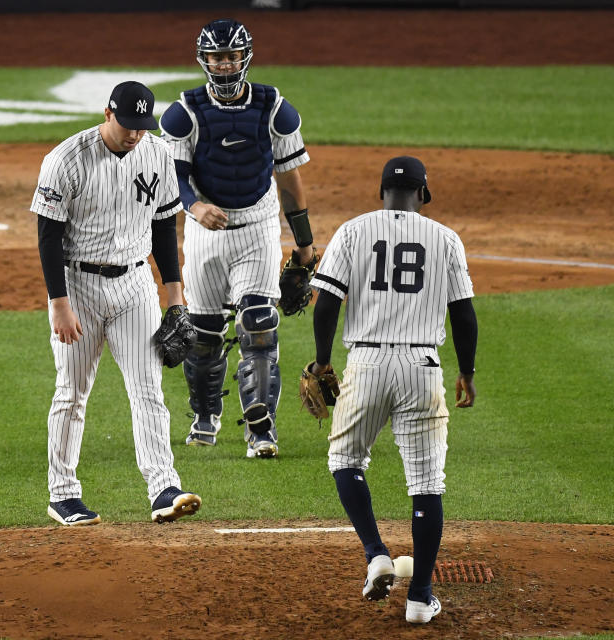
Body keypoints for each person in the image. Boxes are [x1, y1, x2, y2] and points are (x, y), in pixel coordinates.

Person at [307, 156, 478, 624]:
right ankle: (421, 597)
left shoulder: (352, 230)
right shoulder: (445, 239)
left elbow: (326, 306)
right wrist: (468, 371)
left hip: (365, 362)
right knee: (427, 485)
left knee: (345, 460)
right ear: (424, 194)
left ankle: (375, 552)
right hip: (422, 366)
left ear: (380, 192)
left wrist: (323, 360)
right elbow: (463, 313)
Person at [30, 81, 202, 526]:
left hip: (134, 283)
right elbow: (48, 238)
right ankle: (63, 494)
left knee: (148, 389)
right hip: (78, 284)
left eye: (143, 127)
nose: (135, 135)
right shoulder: (66, 159)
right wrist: (58, 303)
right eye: (128, 125)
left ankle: (164, 486)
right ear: (107, 113)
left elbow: (164, 228)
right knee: (71, 393)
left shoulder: (158, 154)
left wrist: (175, 296)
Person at [160, 18, 318, 459]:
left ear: (245, 57)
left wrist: (305, 245)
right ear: (204, 60)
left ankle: (261, 428)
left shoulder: (274, 108)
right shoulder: (183, 113)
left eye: (231, 56)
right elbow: (174, 175)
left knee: (259, 325)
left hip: (257, 227)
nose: (225, 65)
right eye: (216, 57)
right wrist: (194, 207)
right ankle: (205, 416)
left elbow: (289, 180)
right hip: (205, 230)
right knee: (204, 334)